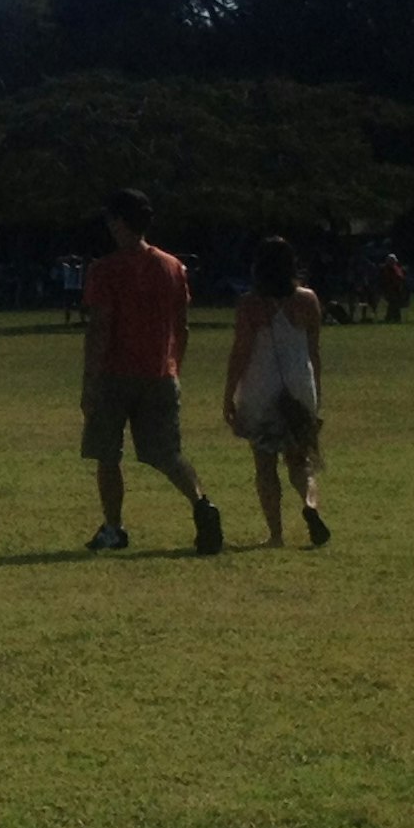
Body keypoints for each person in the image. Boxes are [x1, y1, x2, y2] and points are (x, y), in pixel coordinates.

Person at [83, 187, 227, 555]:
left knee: (107, 454)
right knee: (168, 453)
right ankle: (201, 503)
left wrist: (90, 383)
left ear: (118, 223)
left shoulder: (105, 270)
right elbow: (183, 326)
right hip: (161, 373)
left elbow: (100, 328)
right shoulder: (173, 267)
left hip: (116, 374)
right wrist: (174, 365)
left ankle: (114, 527)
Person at [223, 236, 329, 548]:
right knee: (300, 461)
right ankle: (310, 504)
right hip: (300, 384)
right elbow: (314, 351)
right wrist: (316, 392)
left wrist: (229, 393)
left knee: (265, 463)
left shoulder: (250, 304)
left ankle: (276, 534)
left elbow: (241, 352)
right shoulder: (308, 300)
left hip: (261, 386)